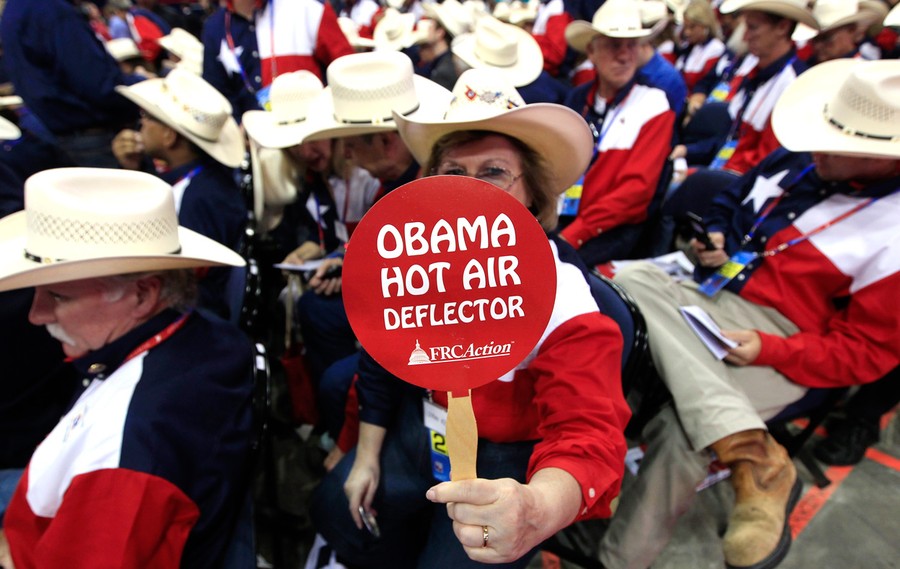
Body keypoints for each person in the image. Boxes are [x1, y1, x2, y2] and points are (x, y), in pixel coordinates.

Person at [309, 67, 630, 569]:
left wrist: (537, 506)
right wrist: (364, 451)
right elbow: (378, 356)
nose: (471, 192)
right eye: (455, 175)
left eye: (494, 173)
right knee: (336, 509)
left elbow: (589, 434)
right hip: (418, 427)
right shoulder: (413, 263)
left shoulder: (564, 294)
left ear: (533, 194)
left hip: (505, 460)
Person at [599, 58, 900, 569]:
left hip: (791, 346)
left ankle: (619, 561)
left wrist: (772, 348)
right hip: (712, 293)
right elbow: (730, 198)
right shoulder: (803, 157)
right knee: (624, 281)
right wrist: (715, 233)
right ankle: (755, 456)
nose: (818, 143)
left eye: (840, 141)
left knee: (683, 434)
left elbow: (868, 355)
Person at [0, 167, 253, 568]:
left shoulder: (124, 451)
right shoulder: (211, 338)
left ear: (142, 294)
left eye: (58, 295)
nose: (36, 313)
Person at [112, 68, 248, 321]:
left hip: (192, 315)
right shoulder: (202, 181)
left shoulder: (201, 197)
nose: (140, 123)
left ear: (169, 135)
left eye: (147, 116)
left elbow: (186, 280)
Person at [559, 0, 677, 267]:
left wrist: (576, 232)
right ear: (591, 51)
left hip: (612, 232)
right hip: (568, 218)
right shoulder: (578, 99)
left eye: (632, 45)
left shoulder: (655, 104)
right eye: (614, 45)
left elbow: (634, 194)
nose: (624, 56)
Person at [0, 0, 150, 169]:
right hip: (92, 138)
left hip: (62, 133)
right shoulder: (53, 10)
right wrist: (143, 84)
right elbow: (98, 84)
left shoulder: (16, 8)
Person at [200, 0, 354, 122]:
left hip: (313, 135)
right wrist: (239, 129)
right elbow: (218, 95)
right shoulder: (214, 28)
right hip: (253, 143)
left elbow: (349, 76)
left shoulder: (309, 8)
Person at [800, 0, 889, 65]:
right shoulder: (809, 67)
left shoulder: (864, 69)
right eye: (814, 39)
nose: (818, 46)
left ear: (851, 30)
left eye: (825, 38)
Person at [675, 0, 727, 93]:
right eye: (685, 27)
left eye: (692, 27)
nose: (687, 32)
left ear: (705, 25)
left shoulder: (716, 49)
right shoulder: (687, 50)